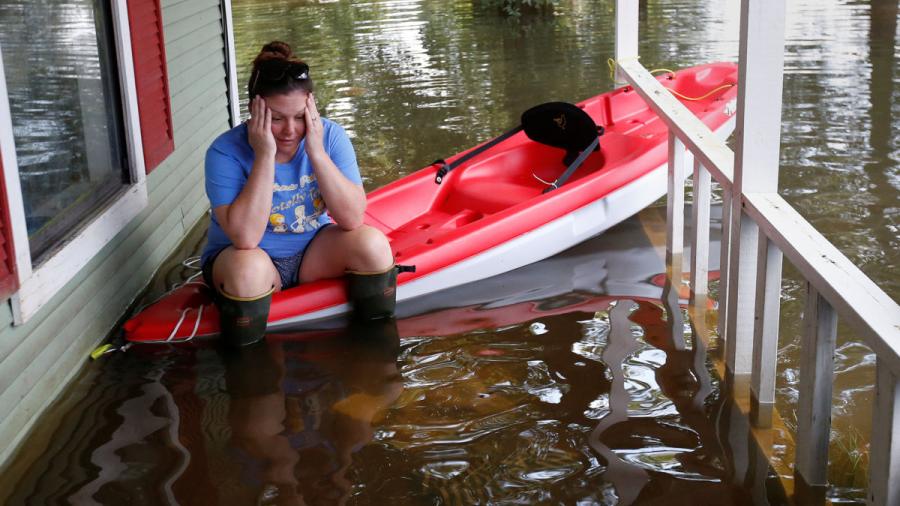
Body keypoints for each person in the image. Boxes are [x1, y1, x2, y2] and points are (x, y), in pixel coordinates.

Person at [202, 41, 396, 347]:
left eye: (299, 117)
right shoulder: (225, 151)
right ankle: (253, 375)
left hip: (312, 253)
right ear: (256, 109)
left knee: (373, 244)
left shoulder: (330, 136)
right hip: (246, 261)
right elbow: (246, 239)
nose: (290, 131)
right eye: (276, 119)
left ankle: (373, 354)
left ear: (311, 107)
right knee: (248, 270)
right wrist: (264, 155)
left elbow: (352, 218)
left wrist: (317, 152)